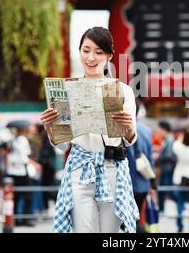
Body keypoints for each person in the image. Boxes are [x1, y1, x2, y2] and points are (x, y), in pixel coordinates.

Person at [40, 27, 139, 233]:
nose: (91, 57)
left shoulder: (122, 91)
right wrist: (51, 127)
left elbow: (129, 140)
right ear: (79, 52)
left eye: (98, 52)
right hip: (79, 168)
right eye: (86, 50)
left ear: (109, 56)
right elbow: (63, 144)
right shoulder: (66, 90)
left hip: (112, 168)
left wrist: (128, 128)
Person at [127, 99, 157, 233]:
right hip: (142, 181)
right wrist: (152, 181)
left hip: (124, 181)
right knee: (138, 213)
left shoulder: (120, 128)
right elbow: (150, 158)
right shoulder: (146, 130)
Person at [156, 120, 177, 213]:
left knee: (165, 189)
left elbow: (168, 155)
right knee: (165, 189)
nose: (158, 131)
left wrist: (158, 157)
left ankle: (162, 209)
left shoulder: (169, 139)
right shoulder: (168, 139)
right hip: (166, 168)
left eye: (159, 129)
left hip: (167, 168)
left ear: (164, 129)